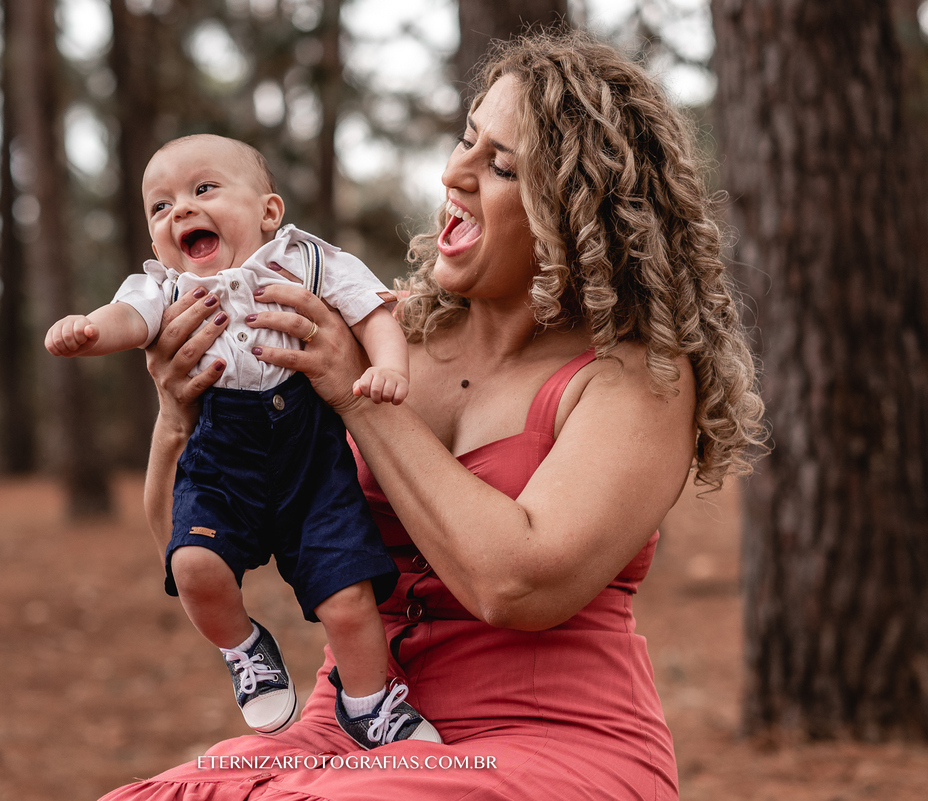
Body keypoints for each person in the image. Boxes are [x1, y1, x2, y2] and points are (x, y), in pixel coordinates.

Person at [99, 29, 765, 801]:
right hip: (347, 727)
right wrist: (177, 418)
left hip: (548, 741)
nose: (455, 172)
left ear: (581, 209)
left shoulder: (636, 375)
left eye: (501, 165)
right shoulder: (383, 326)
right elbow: (185, 547)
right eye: (466, 139)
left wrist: (355, 394)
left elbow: (516, 584)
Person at [44, 135, 440, 748]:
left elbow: (373, 311)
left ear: (268, 212)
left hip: (311, 464)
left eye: (204, 190)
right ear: (155, 242)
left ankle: (369, 705)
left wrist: (390, 367)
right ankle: (245, 649)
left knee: (348, 597)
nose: (180, 210)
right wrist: (88, 332)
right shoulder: (166, 288)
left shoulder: (306, 260)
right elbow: (126, 320)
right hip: (221, 459)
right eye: (160, 206)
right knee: (192, 563)